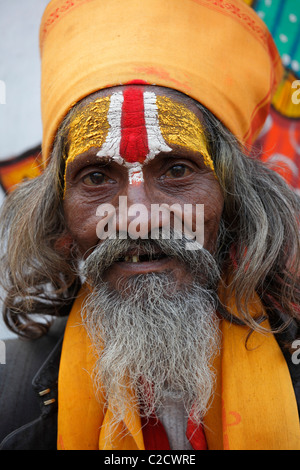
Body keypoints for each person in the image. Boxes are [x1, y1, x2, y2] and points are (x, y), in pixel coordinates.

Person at [0, 0, 300, 451]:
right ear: (58, 214)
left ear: (237, 198)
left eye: (177, 170)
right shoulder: (9, 392)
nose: (138, 216)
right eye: (97, 177)